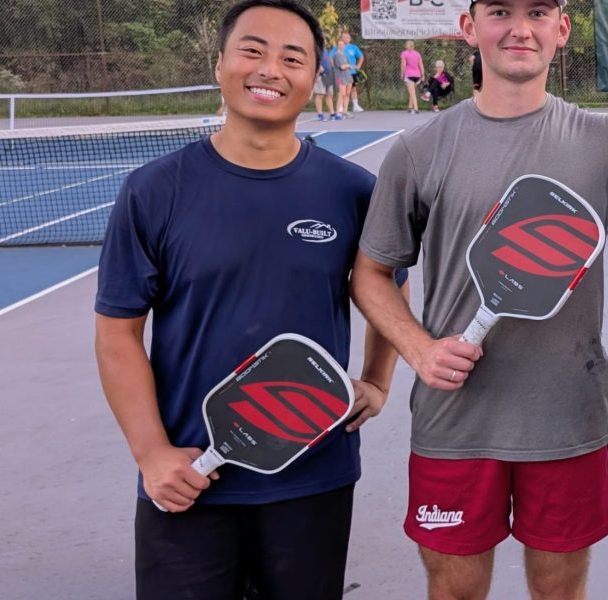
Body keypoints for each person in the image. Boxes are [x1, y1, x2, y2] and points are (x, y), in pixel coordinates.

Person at [348, 1, 608, 599]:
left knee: (559, 591)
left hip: (566, 417)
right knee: (455, 589)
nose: (520, 28)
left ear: (561, 29)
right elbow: (370, 273)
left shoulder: (604, 144)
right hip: (455, 422)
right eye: (500, 10)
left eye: (539, 11)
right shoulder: (417, 151)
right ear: (469, 28)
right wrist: (417, 350)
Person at [94, 0, 408, 598]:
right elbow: (117, 334)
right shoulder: (154, 190)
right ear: (219, 65)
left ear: (315, 79)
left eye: (293, 58)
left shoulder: (354, 192)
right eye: (253, 50)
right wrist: (153, 454)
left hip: (313, 473)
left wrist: (377, 379)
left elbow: (387, 287)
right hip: (188, 477)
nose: (271, 69)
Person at [341, 31, 365, 112]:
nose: (345, 39)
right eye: (343, 37)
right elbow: (331, 57)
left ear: (350, 39)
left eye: (347, 37)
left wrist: (358, 66)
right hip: (341, 73)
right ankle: (341, 106)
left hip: (352, 72)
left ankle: (355, 106)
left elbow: (361, 57)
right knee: (342, 90)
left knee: (353, 89)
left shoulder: (354, 47)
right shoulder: (338, 47)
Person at [331, 38, 354, 119]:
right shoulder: (336, 55)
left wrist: (348, 66)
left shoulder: (345, 55)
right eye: (339, 44)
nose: (341, 46)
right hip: (340, 77)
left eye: (342, 44)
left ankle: (345, 111)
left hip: (348, 77)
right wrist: (347, 65)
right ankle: (337, 112)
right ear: (337, 46)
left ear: (344, 46)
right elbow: (342, 67)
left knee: (347, 94)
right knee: (342, 94)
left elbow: (350, 65)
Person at [401, 40, 425, 114]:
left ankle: (416, 108)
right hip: (417, 76)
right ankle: (410, 107)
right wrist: (423, 75)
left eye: (406, 44)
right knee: (412, 92)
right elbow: (421, 65)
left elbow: (403, 65)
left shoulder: (404, 53)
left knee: (412, 93)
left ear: (407, 46)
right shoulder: (417, 54)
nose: (405, 45)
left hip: (409, 75)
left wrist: (402, 74)